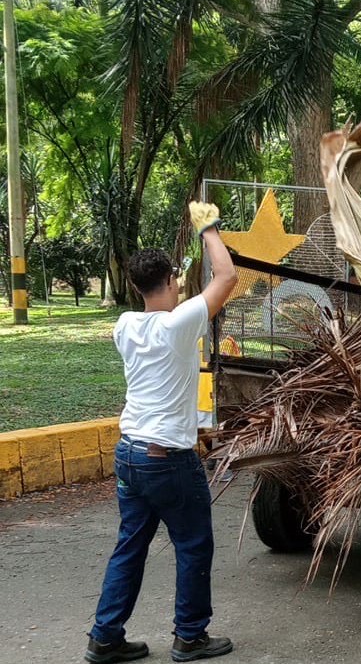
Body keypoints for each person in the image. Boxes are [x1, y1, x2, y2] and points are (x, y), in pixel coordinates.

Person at [86, 203, 238, 664]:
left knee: (130, 546)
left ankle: (104, 637)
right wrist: (208, 227)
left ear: (134, 285)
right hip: (167, 458)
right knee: (193, 544)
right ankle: (189, 636)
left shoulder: (124, 325)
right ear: (171, 282)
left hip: (129, 454)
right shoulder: (179, 323)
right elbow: (226, 277)